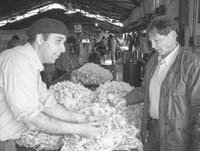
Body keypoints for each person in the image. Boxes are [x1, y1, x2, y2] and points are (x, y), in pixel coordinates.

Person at [0, 18, 101, 151]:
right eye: (58, 41)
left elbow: (48, 103)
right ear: (40, 38)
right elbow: (32, 119)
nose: (63, 49)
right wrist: (80, 129)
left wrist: (83, 118)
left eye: (64, 43)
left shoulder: (30, 64)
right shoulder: (17, 61)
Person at [124, 15, 200, 151]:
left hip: (178, 136)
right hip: (154, 130)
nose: (153, 46)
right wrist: (124, 100)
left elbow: (198, 107)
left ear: (173, 35)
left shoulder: (192, 64)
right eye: (151, 41)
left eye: (157, 41)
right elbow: (145, 90)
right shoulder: (154, 61)